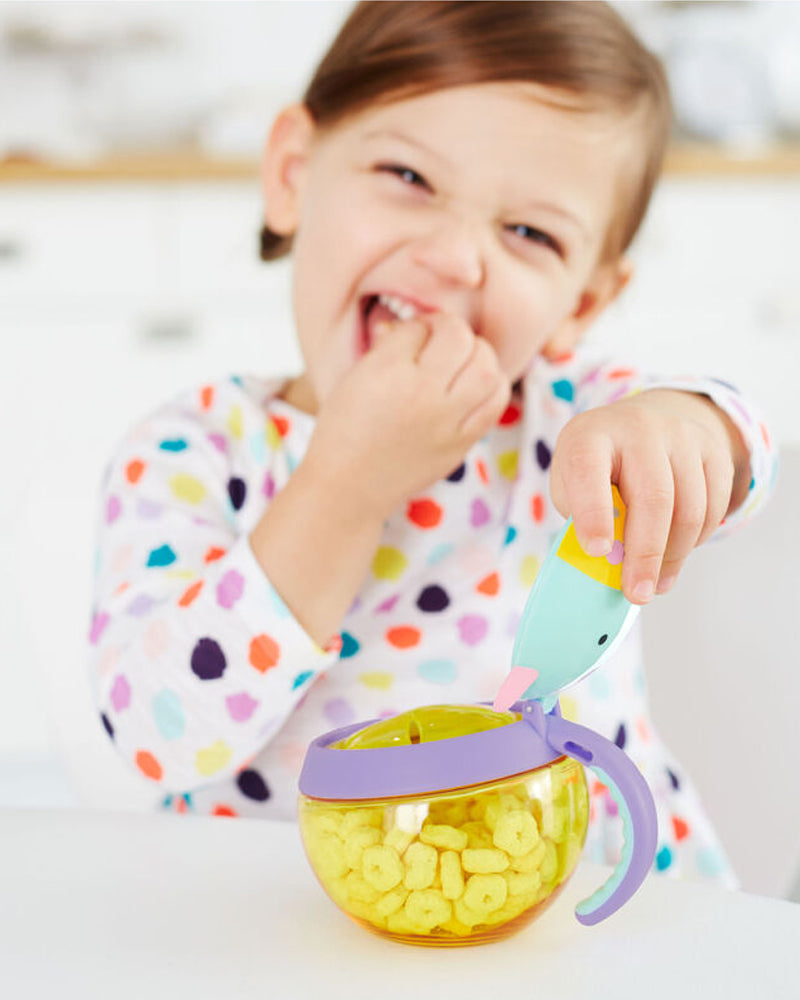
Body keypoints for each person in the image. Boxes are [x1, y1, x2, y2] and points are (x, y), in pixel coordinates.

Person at [88, 1, 775, 886]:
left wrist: (682, 427)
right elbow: (157, 738)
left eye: (529, 233)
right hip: (278, 928)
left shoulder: (573, 420)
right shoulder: (191, 455)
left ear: (583, 302)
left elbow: (745, 453)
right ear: (294, 173)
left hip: (582, 913)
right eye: (409, 176)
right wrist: (345, 482)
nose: (456, 258)